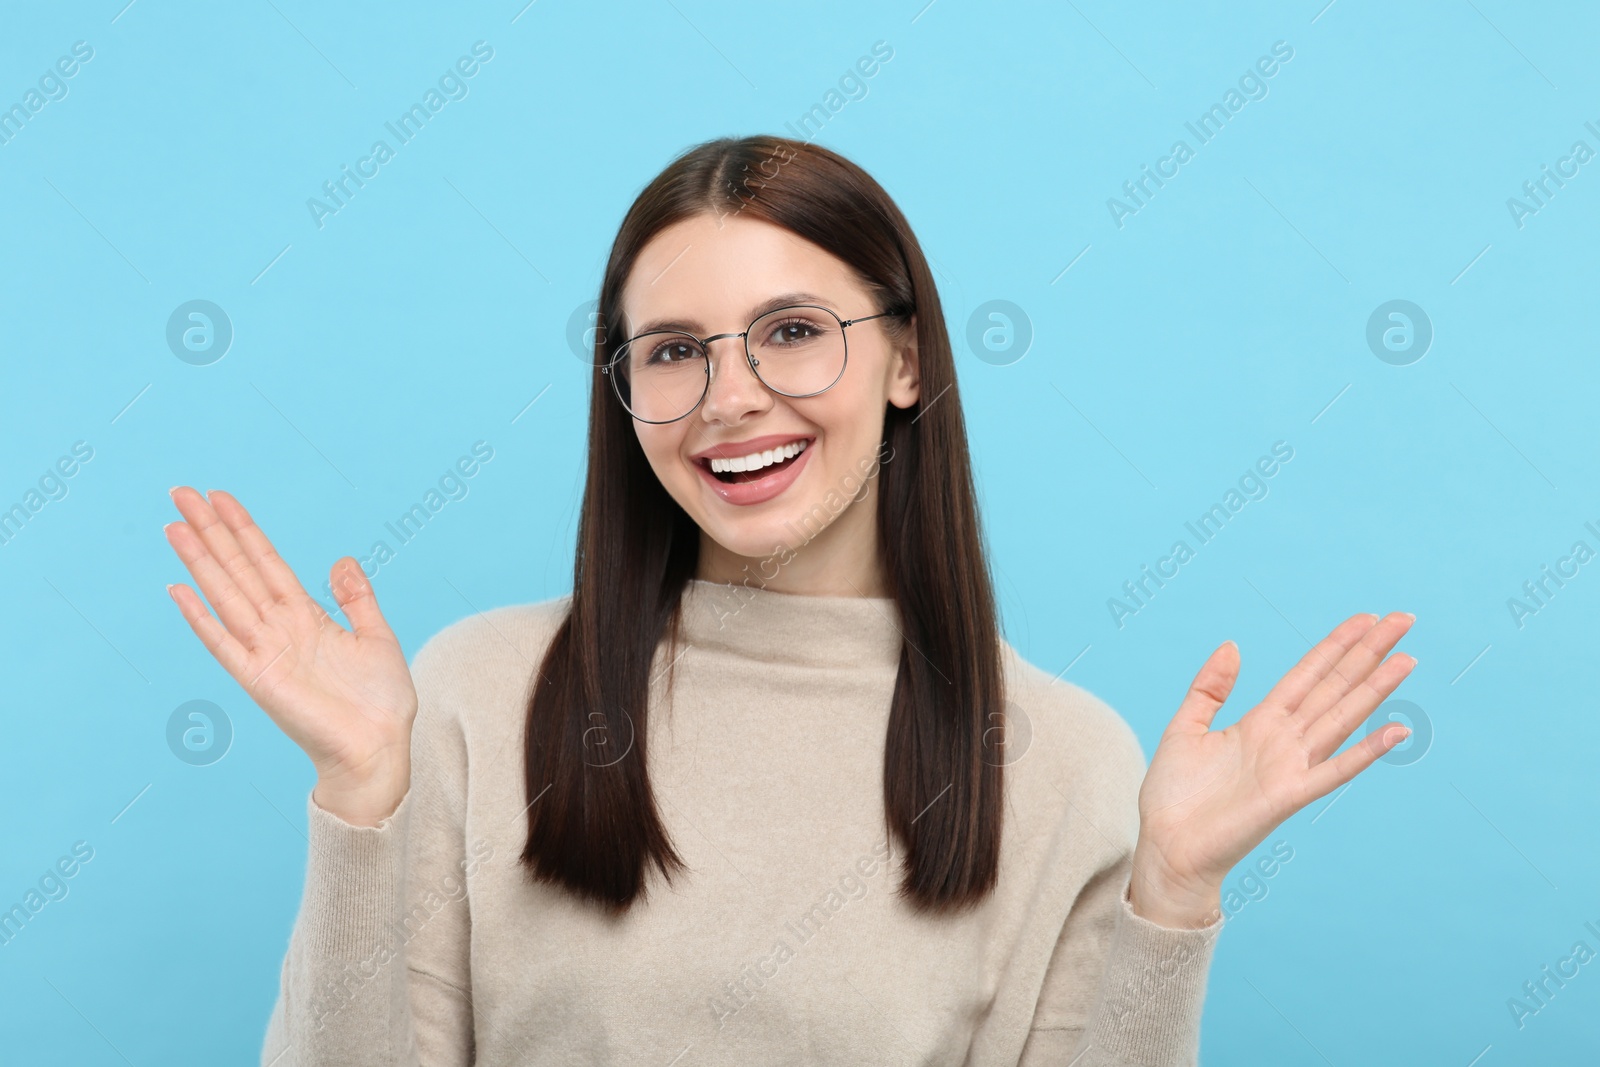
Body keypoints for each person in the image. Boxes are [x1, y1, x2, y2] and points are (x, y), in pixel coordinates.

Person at [163, 134, 1416, 1066]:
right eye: (673, 351)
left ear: (907, 357)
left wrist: (1175, 894)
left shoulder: (1063, 759)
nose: (731, 396)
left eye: (793, 331)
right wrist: (362, 795)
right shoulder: (477, 692)